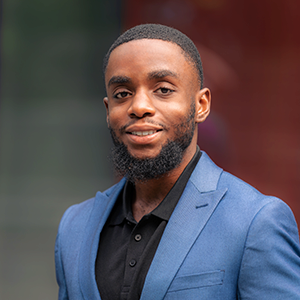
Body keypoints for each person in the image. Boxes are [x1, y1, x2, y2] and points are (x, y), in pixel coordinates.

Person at [55, 24, 300, 300]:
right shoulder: (73, 227)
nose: (139, 107)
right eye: (122, 93)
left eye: (163, 89)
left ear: (201, 105)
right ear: (108, 109)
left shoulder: (255, 223)